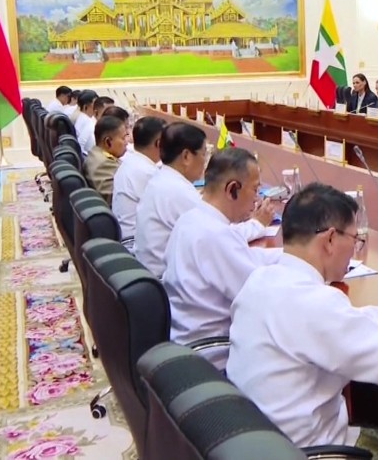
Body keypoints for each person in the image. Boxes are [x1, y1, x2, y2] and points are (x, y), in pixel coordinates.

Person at [226, 183, 378, 447]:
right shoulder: (317, 305)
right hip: (310, 451)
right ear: (330, 239)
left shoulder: (261, 280)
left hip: (256, 442)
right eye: (355, 240)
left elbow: (339, 323)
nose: (354, 250)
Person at [163, 148, 288, 368]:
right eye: (255, 190)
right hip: (212, 355)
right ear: (232, 189)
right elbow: (262, 297)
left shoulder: (192, 219)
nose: (257, 199)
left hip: (186, 340)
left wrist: (291, 257)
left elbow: (246, 256)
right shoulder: (214, 235)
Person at [134, 123, 275, 277]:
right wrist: (257, 223)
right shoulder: (178, 192)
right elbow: (227, 241)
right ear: (186, 156)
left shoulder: (165, 181)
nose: (256, 198)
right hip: (158, 276)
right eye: (204, 154)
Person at [112, 116, 166, 249]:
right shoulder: (148, 173)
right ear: (159, 143)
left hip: (126, 236)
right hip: (133, 244)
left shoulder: (131, 162)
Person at [83, 116, 128, 204]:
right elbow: (120, 199)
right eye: (123, 138)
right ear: (108, 142)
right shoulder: (104, 165)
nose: (126, 143)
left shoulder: (96, 153)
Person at [74, 90, 99, 156]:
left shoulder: (88, 118)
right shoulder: (87, 122)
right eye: (95, 104)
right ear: (86, 106)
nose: (97, 106)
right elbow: (80, 144)